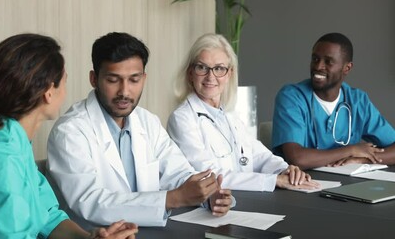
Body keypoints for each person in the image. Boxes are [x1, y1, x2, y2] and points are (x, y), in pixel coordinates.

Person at [0, 33, 137, 239]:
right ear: (49, 92)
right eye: (64, 81)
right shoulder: (0, 155)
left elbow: (49, 217)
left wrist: (90, 238)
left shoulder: (15, 141)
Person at [47, 32, 233, 229]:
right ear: (94, 79)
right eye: (113, 80)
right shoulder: (70, 131)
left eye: (134, 80)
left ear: (144, 78)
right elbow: (91, 202)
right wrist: (173, 199)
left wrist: (208, 194)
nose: (124, 91)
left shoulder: (147, 122)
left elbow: (178, 172)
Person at [166, 33, 318, 192]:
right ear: (190, 73)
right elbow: (210, 176)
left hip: (245, 199)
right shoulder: (182, 118)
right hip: (214, 205)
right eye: (202, 67)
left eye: (219, 68)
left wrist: (285, 170)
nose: (210, 77)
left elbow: (259, 155)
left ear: (229, 73)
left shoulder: (229, 114)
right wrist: (272, 181)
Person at [272, 32, 395, 170]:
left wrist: (362, 159)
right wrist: (350, 150)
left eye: (328, 61)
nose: (318, 66)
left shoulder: (358, 101)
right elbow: (297, 158)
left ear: (347, 68)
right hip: (300, 184)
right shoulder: (292, 97)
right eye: (315, 59)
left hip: (346, 184)